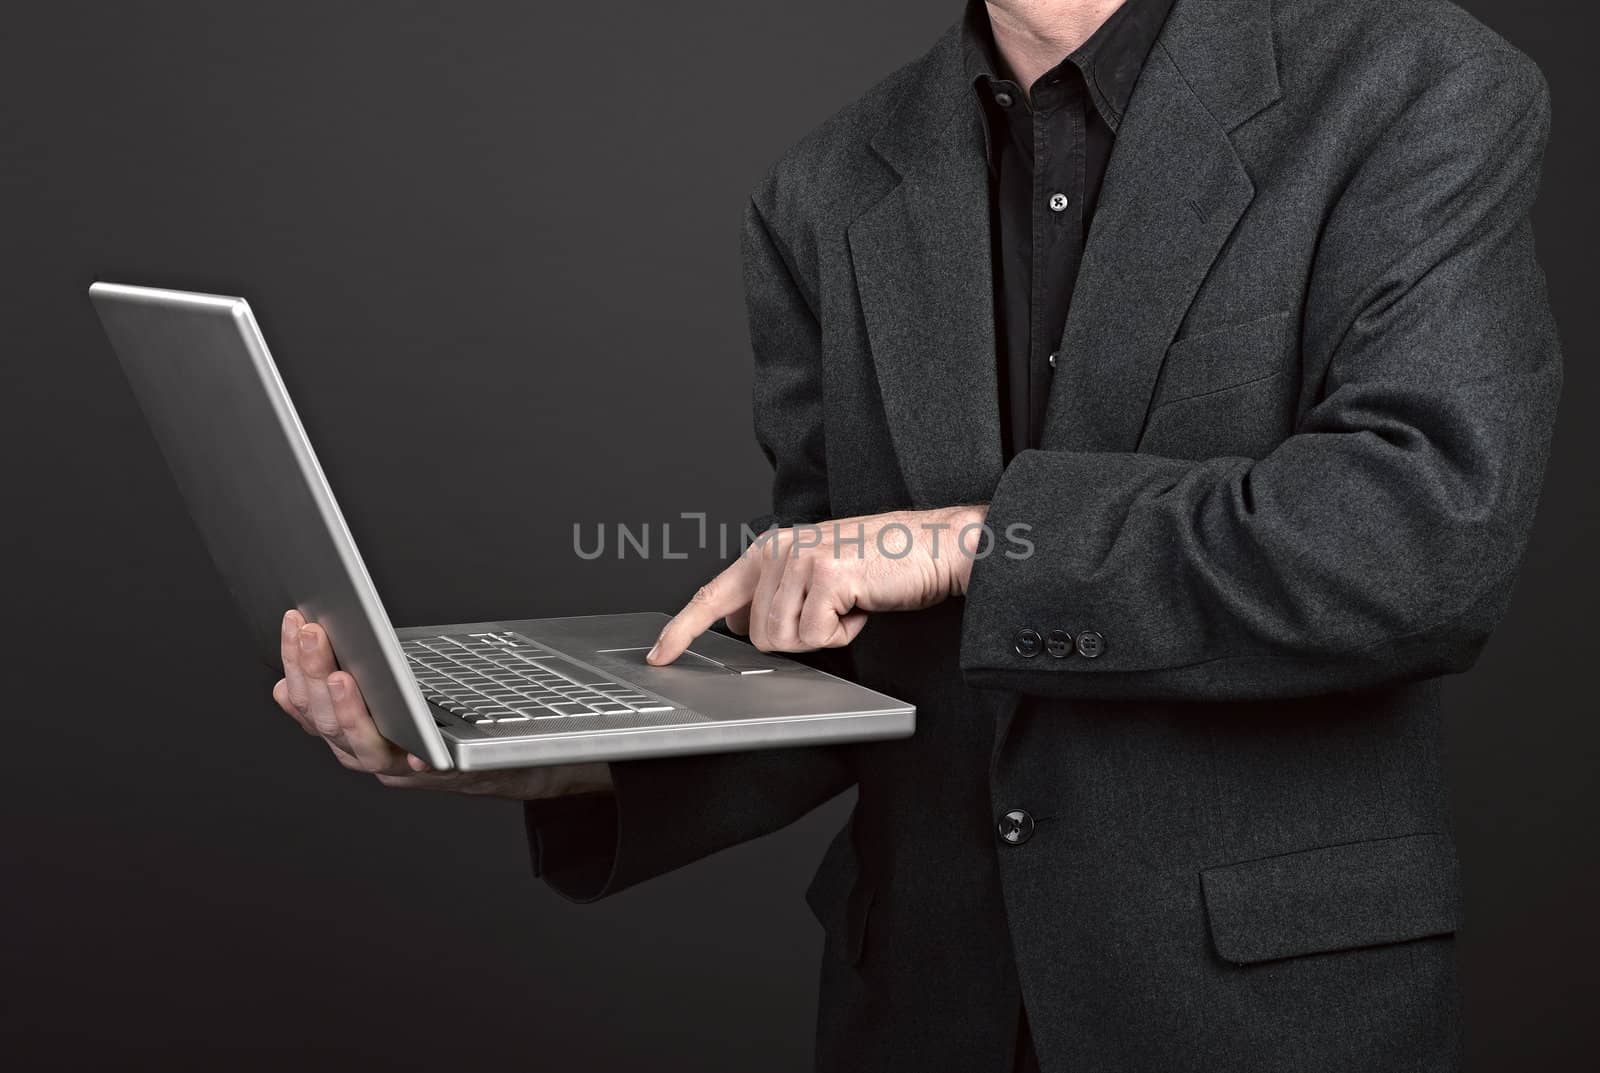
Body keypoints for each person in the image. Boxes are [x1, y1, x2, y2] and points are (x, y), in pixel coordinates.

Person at [272, 0, 1560, 1068]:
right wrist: (532, 749)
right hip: (921, 1014)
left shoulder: (1414, 84)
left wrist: (977, 540)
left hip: (1263, 1016)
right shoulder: (823, 188)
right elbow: (846, 650)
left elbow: (1422, 537)